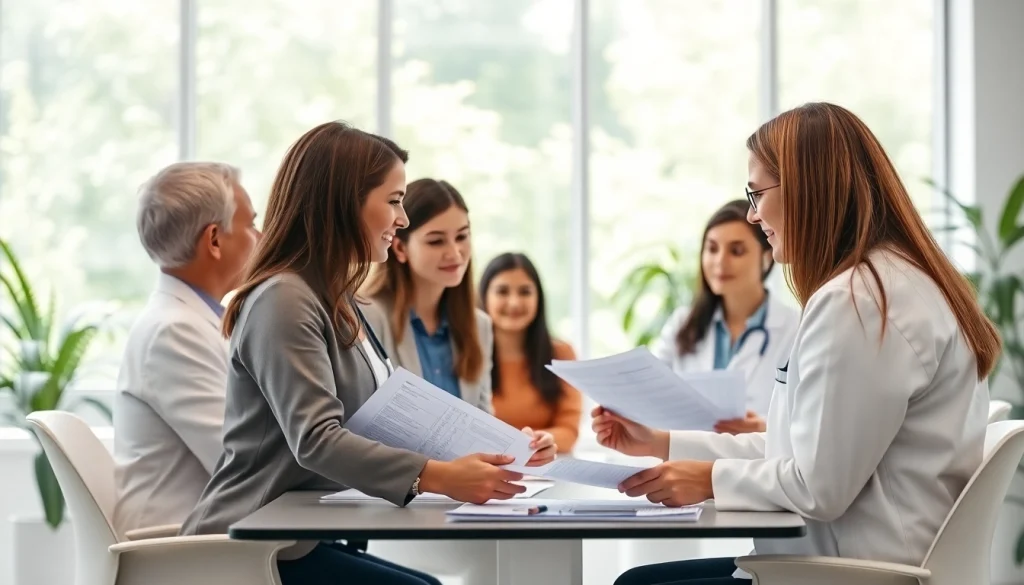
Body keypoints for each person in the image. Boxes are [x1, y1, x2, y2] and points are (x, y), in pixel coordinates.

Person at [594, 102, 999, 585]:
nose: (752, 213)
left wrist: (706, 479)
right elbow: (800, 451)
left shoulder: (861, 300)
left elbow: (819, 487)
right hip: (854, 560)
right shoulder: (885, 284)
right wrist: (662, 443)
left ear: (809, 189)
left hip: (852, 573)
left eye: (757, 192)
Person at [179, 122, 555, 585]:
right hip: (253, 549)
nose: (402, 220)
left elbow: (385, 422)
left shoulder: (334, 298)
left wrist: (508, 451)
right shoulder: (284, 298)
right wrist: (438, 477)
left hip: (305, 539)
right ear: (344, 203)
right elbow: (316, 439)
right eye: (394, 201)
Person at [113, 162, 259, 537]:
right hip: (191, 551)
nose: (259, 238)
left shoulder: (198, 320)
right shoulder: (173, 331)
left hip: (229, 537)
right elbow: (239, 462)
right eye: (251, 225)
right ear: (214, 239)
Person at [652, 199, 799, 434]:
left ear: (767, 257)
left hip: (754, 466)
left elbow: (805, 420)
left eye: (736, 251)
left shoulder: (795, 329)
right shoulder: (683, 324)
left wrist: (763, 427)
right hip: (685, 463)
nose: (720, 262)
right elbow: (651, 393)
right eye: (712, 249)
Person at [360, 178, 493, 413]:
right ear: (400, 248)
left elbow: (484, 420)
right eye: (436, 241)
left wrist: (524, 444)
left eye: (462, 237)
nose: (455, 253)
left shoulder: (479, 325)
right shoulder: (367, 316)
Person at [480, 252, 582, 453]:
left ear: (539, 298)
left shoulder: (562, 353)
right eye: (502, 291)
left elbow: (569, 430)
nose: (515, 303)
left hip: (545, 466)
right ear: (484, 297)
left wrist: (539, 441)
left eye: (525, 292)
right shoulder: (464, 354)